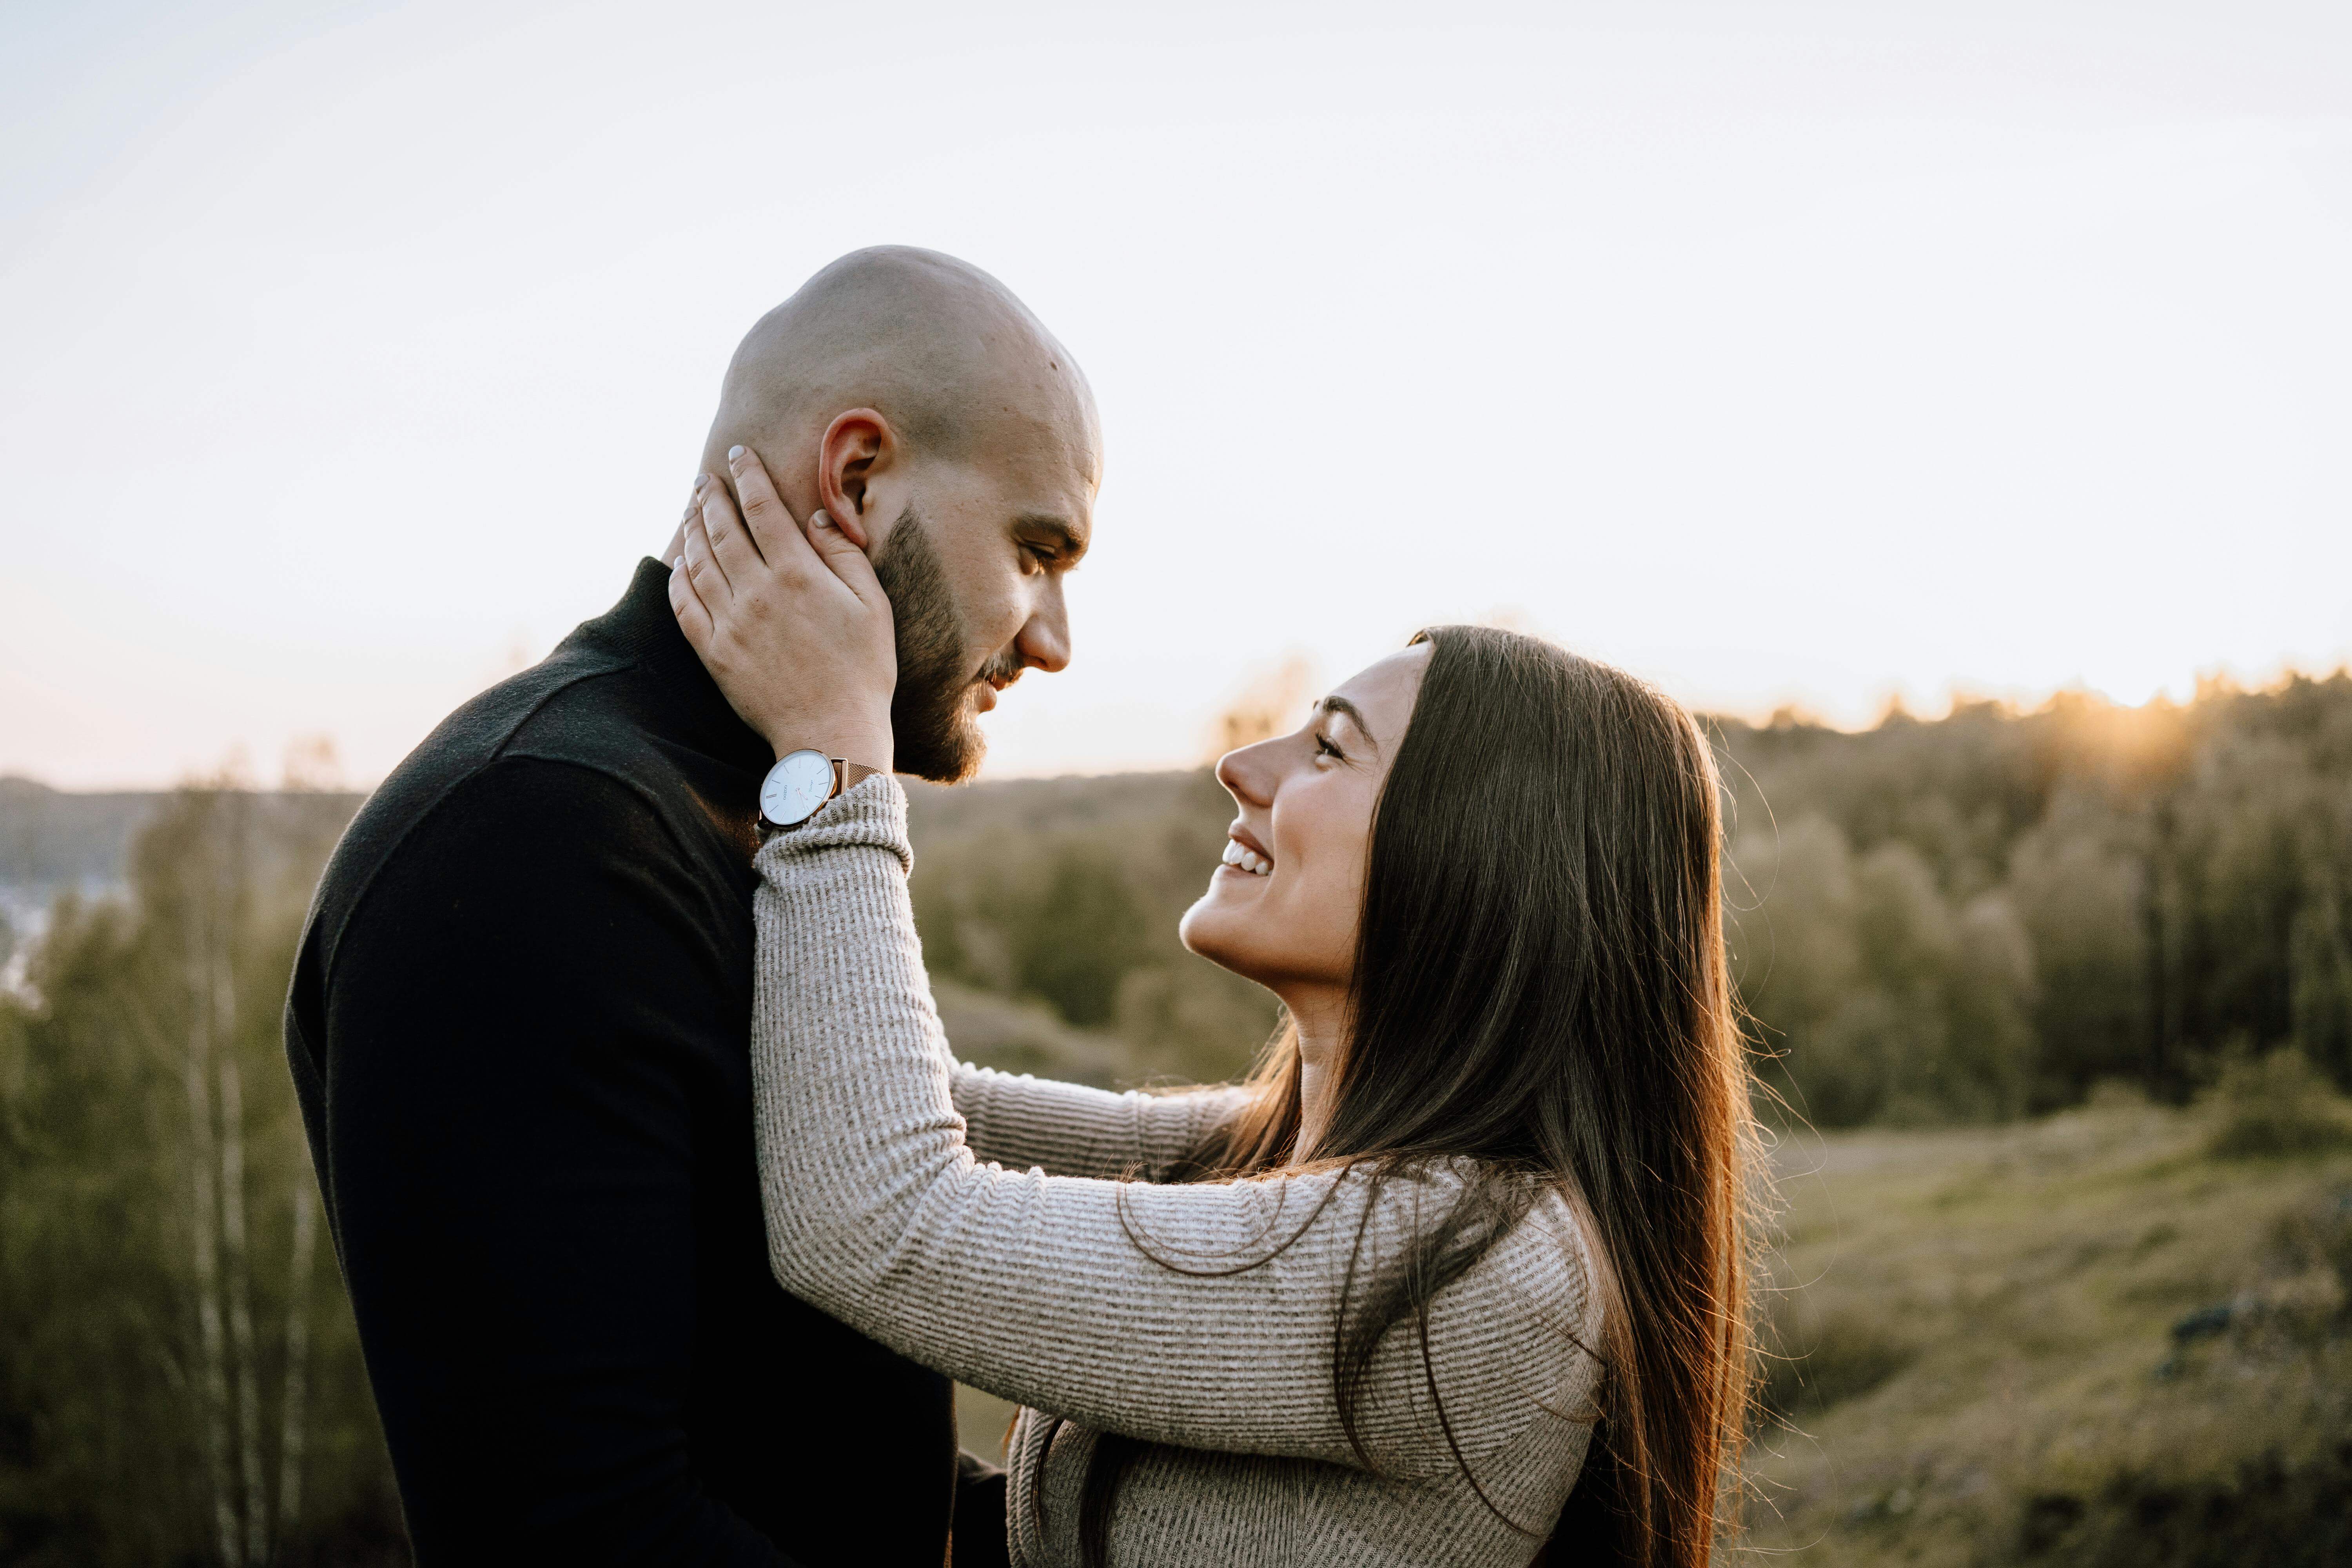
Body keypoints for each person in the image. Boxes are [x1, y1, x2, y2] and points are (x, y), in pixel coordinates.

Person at [668, 454, 1760, 1567]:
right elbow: (881, 1103)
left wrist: (834, 753)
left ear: (1485, 863)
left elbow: (876, 1214)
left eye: (1331, 748)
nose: (1243, 764)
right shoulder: (1280, 1152)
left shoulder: (1478, 1264)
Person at [283, 247, 1099, 1564]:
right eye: (1037, 549)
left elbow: (814, 1438)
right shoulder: (535, 832)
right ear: (858, 477)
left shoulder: (764, 798)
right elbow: (584, 1531)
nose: (1055, 635)